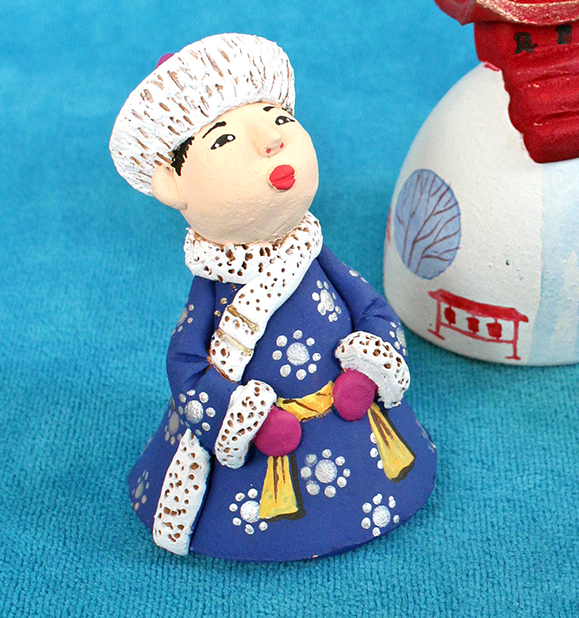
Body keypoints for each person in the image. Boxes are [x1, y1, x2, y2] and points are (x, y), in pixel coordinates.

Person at [111, 34, 435, 560]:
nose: (270, 140)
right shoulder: (214, 288)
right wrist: (249, 420)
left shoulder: (312, 251)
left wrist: (369, 367)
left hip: (355, 424)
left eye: (279, 118)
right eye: (223, 141)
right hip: (263, 453)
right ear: (172, 185)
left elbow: (370, 309)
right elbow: (188, 367)